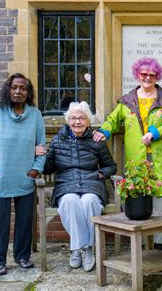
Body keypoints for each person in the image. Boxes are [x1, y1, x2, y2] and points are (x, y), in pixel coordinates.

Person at [93, 57, 162, 254]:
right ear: (137, 75)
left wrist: (156, 133)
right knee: (139, 194)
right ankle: (143, 239)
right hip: (137, 157)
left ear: (157, 76)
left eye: (152, 74)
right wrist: (104, 131)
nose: (148, 78)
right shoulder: (127, 101)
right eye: (144, 74)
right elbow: (113, 120)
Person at [0, 73, 46, 276]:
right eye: (14, 87)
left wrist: (35, 170)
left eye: (23, 88)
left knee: (25, 221)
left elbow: (41, 145)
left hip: (24, 177)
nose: (18, 91)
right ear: (8, 90)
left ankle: (22, 257)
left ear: (28, 92)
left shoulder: (35, 115)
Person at [41, 101, 117, 272]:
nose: (77, 122)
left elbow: (111, 166)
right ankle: (82, 248)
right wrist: (39, 156)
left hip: (92, 183)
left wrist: (101, 174)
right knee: (69, 201)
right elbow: (48, 169)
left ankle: (83, 248)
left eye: (81, 118)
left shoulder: (96, 141)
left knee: (89, 201)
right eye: (73, 118)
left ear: (88, 121)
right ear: (68, 120)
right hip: (66, 185)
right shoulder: (57, 141)